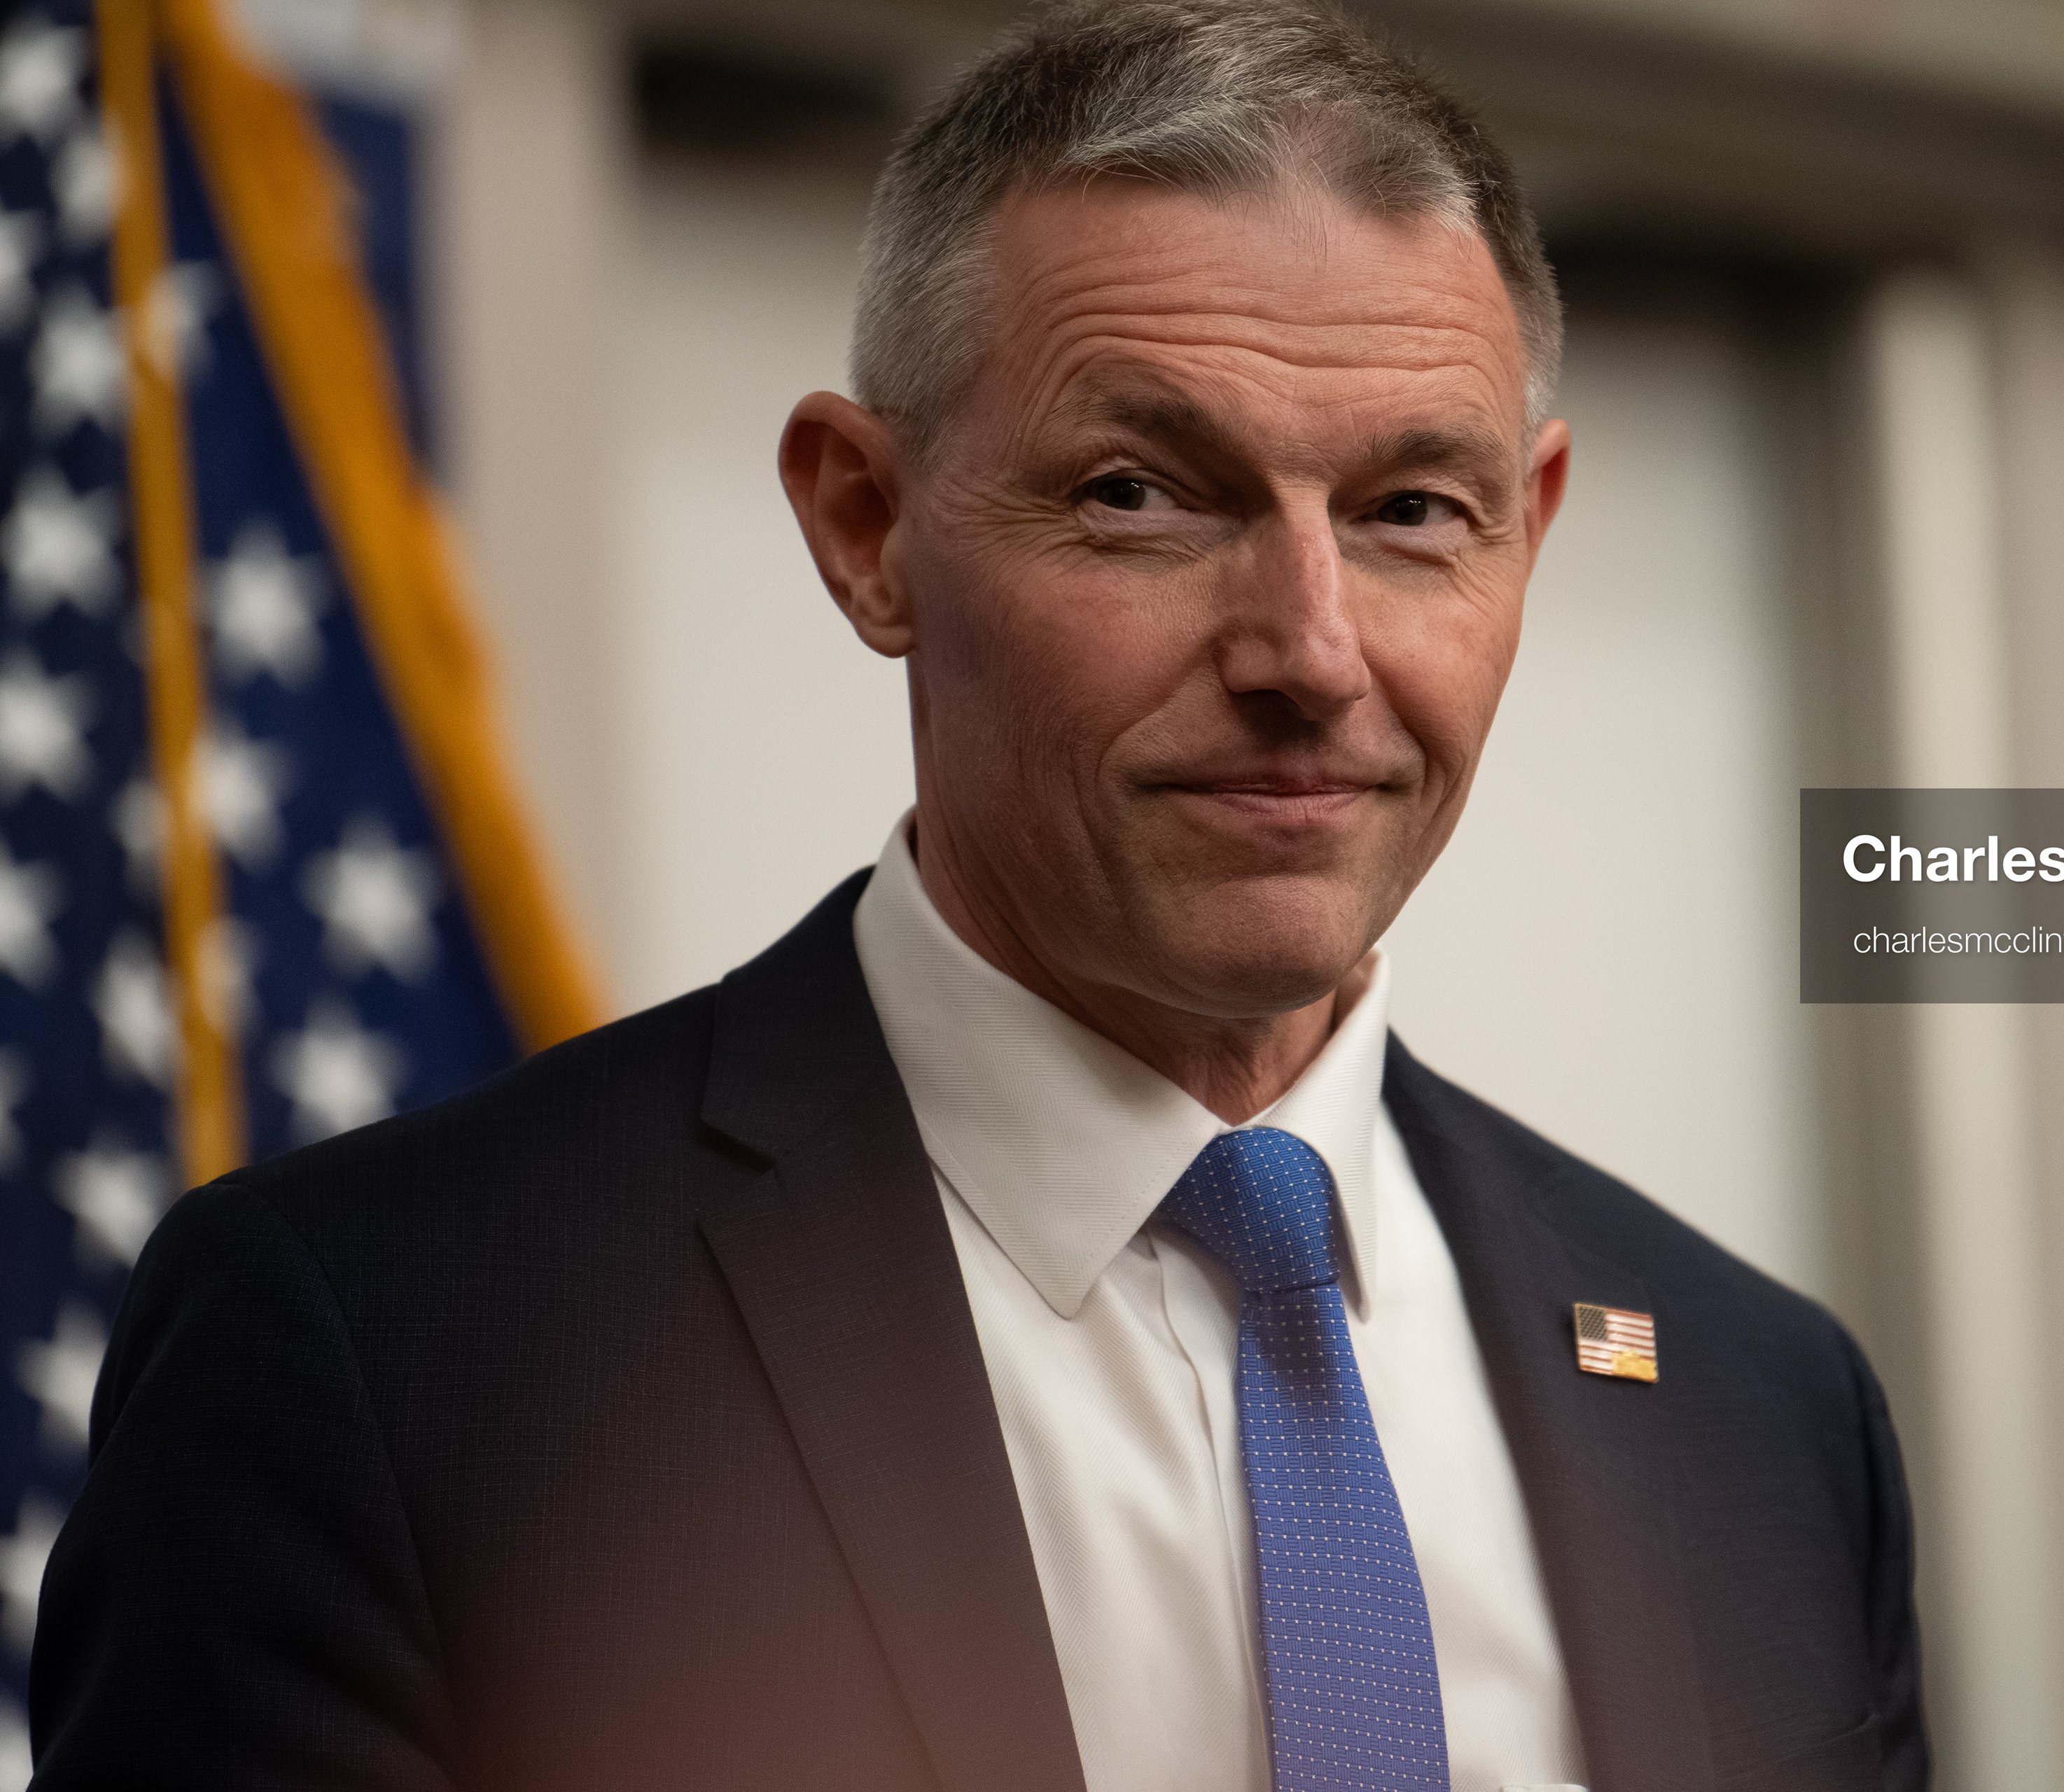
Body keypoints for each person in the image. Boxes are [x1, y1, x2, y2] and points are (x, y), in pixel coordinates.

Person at [29, 1, 1925, 1787]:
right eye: (1139, 494)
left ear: (1537, 528)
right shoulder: (387, 1348)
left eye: (1413, 511)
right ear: (866, 527)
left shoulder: (1763, 1417)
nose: (1311, 650)